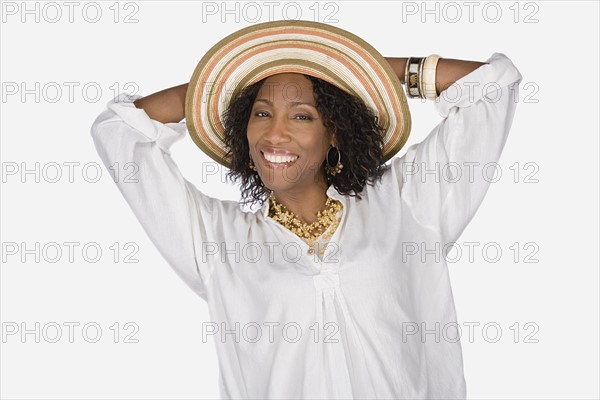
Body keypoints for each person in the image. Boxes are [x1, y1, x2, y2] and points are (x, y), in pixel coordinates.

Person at [91, 20, 522, 399]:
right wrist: (218, 87)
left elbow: (492, 85)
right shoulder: (215, 241)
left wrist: (357, 69)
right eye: (260, 112)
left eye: (301, 117)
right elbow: (119, 133)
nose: (274, 135)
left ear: (335, 132)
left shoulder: (407, 204)